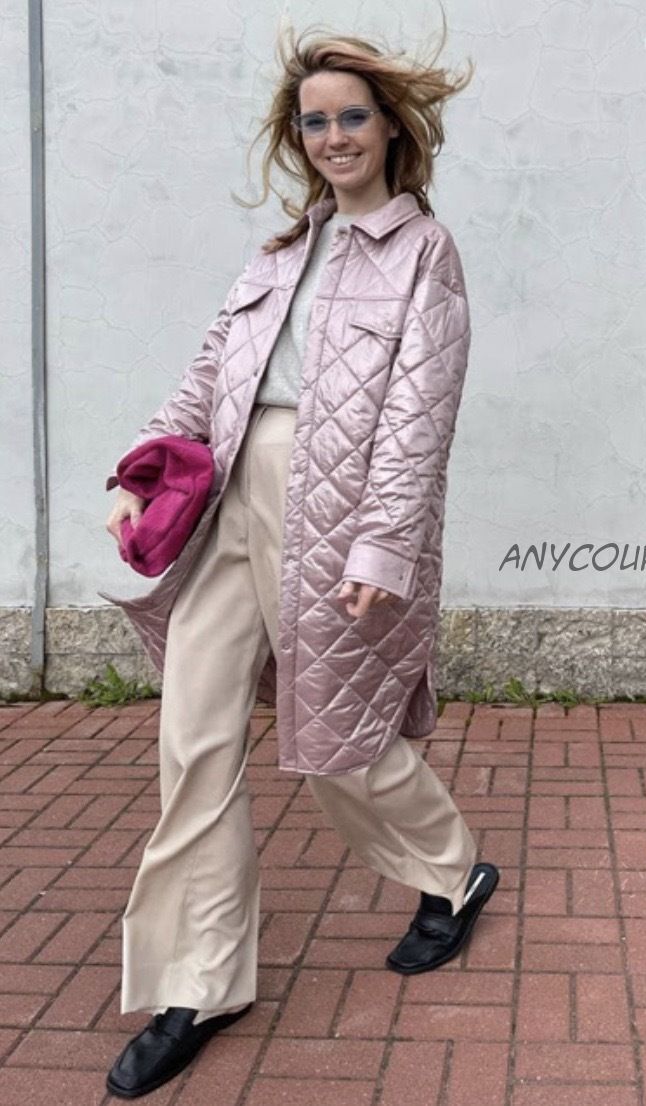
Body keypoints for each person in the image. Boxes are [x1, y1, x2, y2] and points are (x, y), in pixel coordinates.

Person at [102, 20, 499, 1100]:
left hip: (336, 511)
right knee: (193, 740)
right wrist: (143, 466)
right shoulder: (279, 254)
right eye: (315, 122)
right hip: (229, 499)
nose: (335, 137)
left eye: (352, 116)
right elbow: (208, 374)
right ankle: (201, 982)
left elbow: (419, 418)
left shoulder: (424, 253)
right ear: (298, 135)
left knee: (336, 740)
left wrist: (383, 544)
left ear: (389, 126)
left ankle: (451, 869)